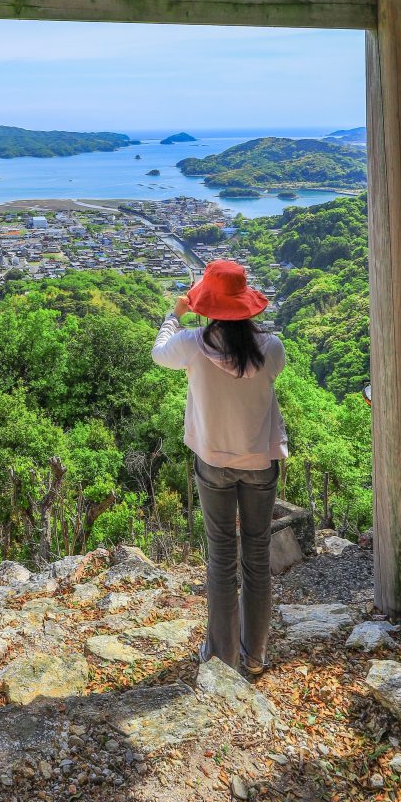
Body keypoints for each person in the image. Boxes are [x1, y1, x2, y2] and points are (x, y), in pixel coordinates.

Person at [151, 259, 287, 676]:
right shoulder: (271, 348)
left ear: (207, 305)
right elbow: (269, 376)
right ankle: (256, 655)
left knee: (222, 557)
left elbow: (158, 353)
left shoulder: (191, 344)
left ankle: (223, 657)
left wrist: (175, 313)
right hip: (260, 462)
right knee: (257, 557)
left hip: (212, 461)